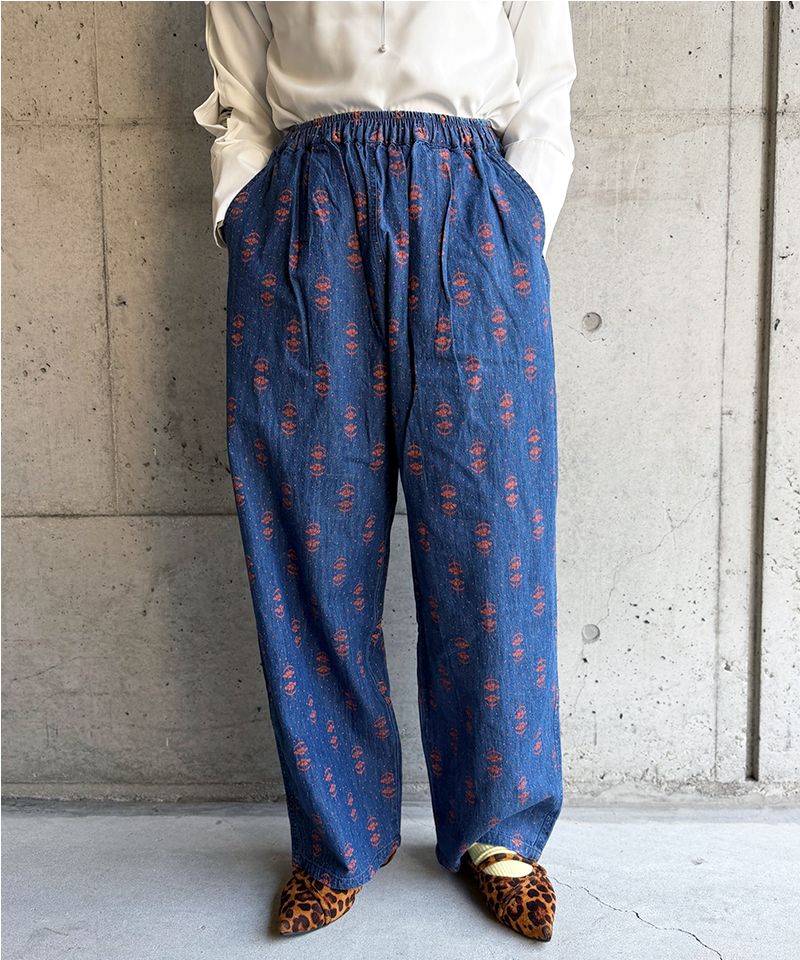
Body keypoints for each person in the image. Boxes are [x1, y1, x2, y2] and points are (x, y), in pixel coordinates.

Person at [194, 0, 576, 941]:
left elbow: (545, 89)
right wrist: (245, 212)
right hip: (304, 213)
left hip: (470, 207)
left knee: (494, 538)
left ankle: (501, 833)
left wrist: (516, 218)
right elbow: (240, 98)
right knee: (310, 540)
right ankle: (338, 838)